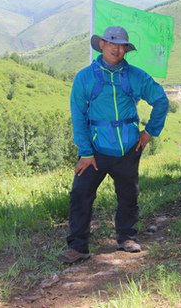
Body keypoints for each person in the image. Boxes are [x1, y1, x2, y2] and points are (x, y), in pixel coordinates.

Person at [58, 26, 169, 264]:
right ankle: (78, 247)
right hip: (95, 151)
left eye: (122, 45)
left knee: (128, 195)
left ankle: (127, 238)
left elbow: (161, 100)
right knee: (80, 194)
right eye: (112, 43)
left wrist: (149, 133)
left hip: (129, 148)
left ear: (126, 49)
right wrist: (85, 152)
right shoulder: (84, 77)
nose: (117, 49)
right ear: (102, 45)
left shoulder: (137, 76)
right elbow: (78, 115)